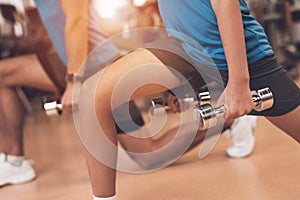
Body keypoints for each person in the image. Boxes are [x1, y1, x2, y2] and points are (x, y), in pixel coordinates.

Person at [79, 0, 299, 199]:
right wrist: (173, 82)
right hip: (183, 48)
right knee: (91, 94)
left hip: (233, 53)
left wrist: (239, 81)